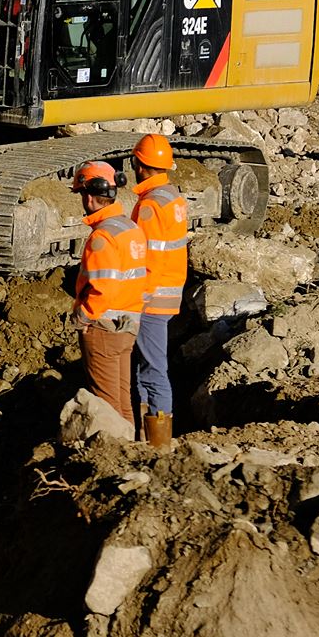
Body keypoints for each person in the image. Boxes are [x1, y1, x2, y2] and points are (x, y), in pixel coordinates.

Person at [71, 161, 147, 426]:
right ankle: (132, 451)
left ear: (90, 196)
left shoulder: (102, 237)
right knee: (122, 399)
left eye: (81, 194)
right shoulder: (129, 228)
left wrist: (82, 316)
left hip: (104, 328)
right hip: (128, 324)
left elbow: (103, 289)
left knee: (105, 403)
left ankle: (115, 457)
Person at [129, 134, 190, 450]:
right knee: (144, 368)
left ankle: (159, 445)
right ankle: (146, 436)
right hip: (168, 291)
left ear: (138, 165)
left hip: (152, 298)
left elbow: (148, 258)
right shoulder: (172, 198)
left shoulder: (151, 206)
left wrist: (137, 299)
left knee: (153, 370)